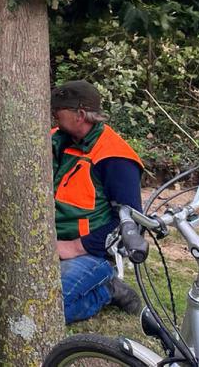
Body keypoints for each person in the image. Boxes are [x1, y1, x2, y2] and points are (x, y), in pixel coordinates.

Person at [51, 80, 143, 321]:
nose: (53, 116)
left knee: (48, 311)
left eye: (57, 111)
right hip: (51, 244)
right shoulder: (57, 139)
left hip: (91, 253)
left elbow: (130, 224)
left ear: (80, 115)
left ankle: (107, 290)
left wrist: (74, 247)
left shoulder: (116, 158)